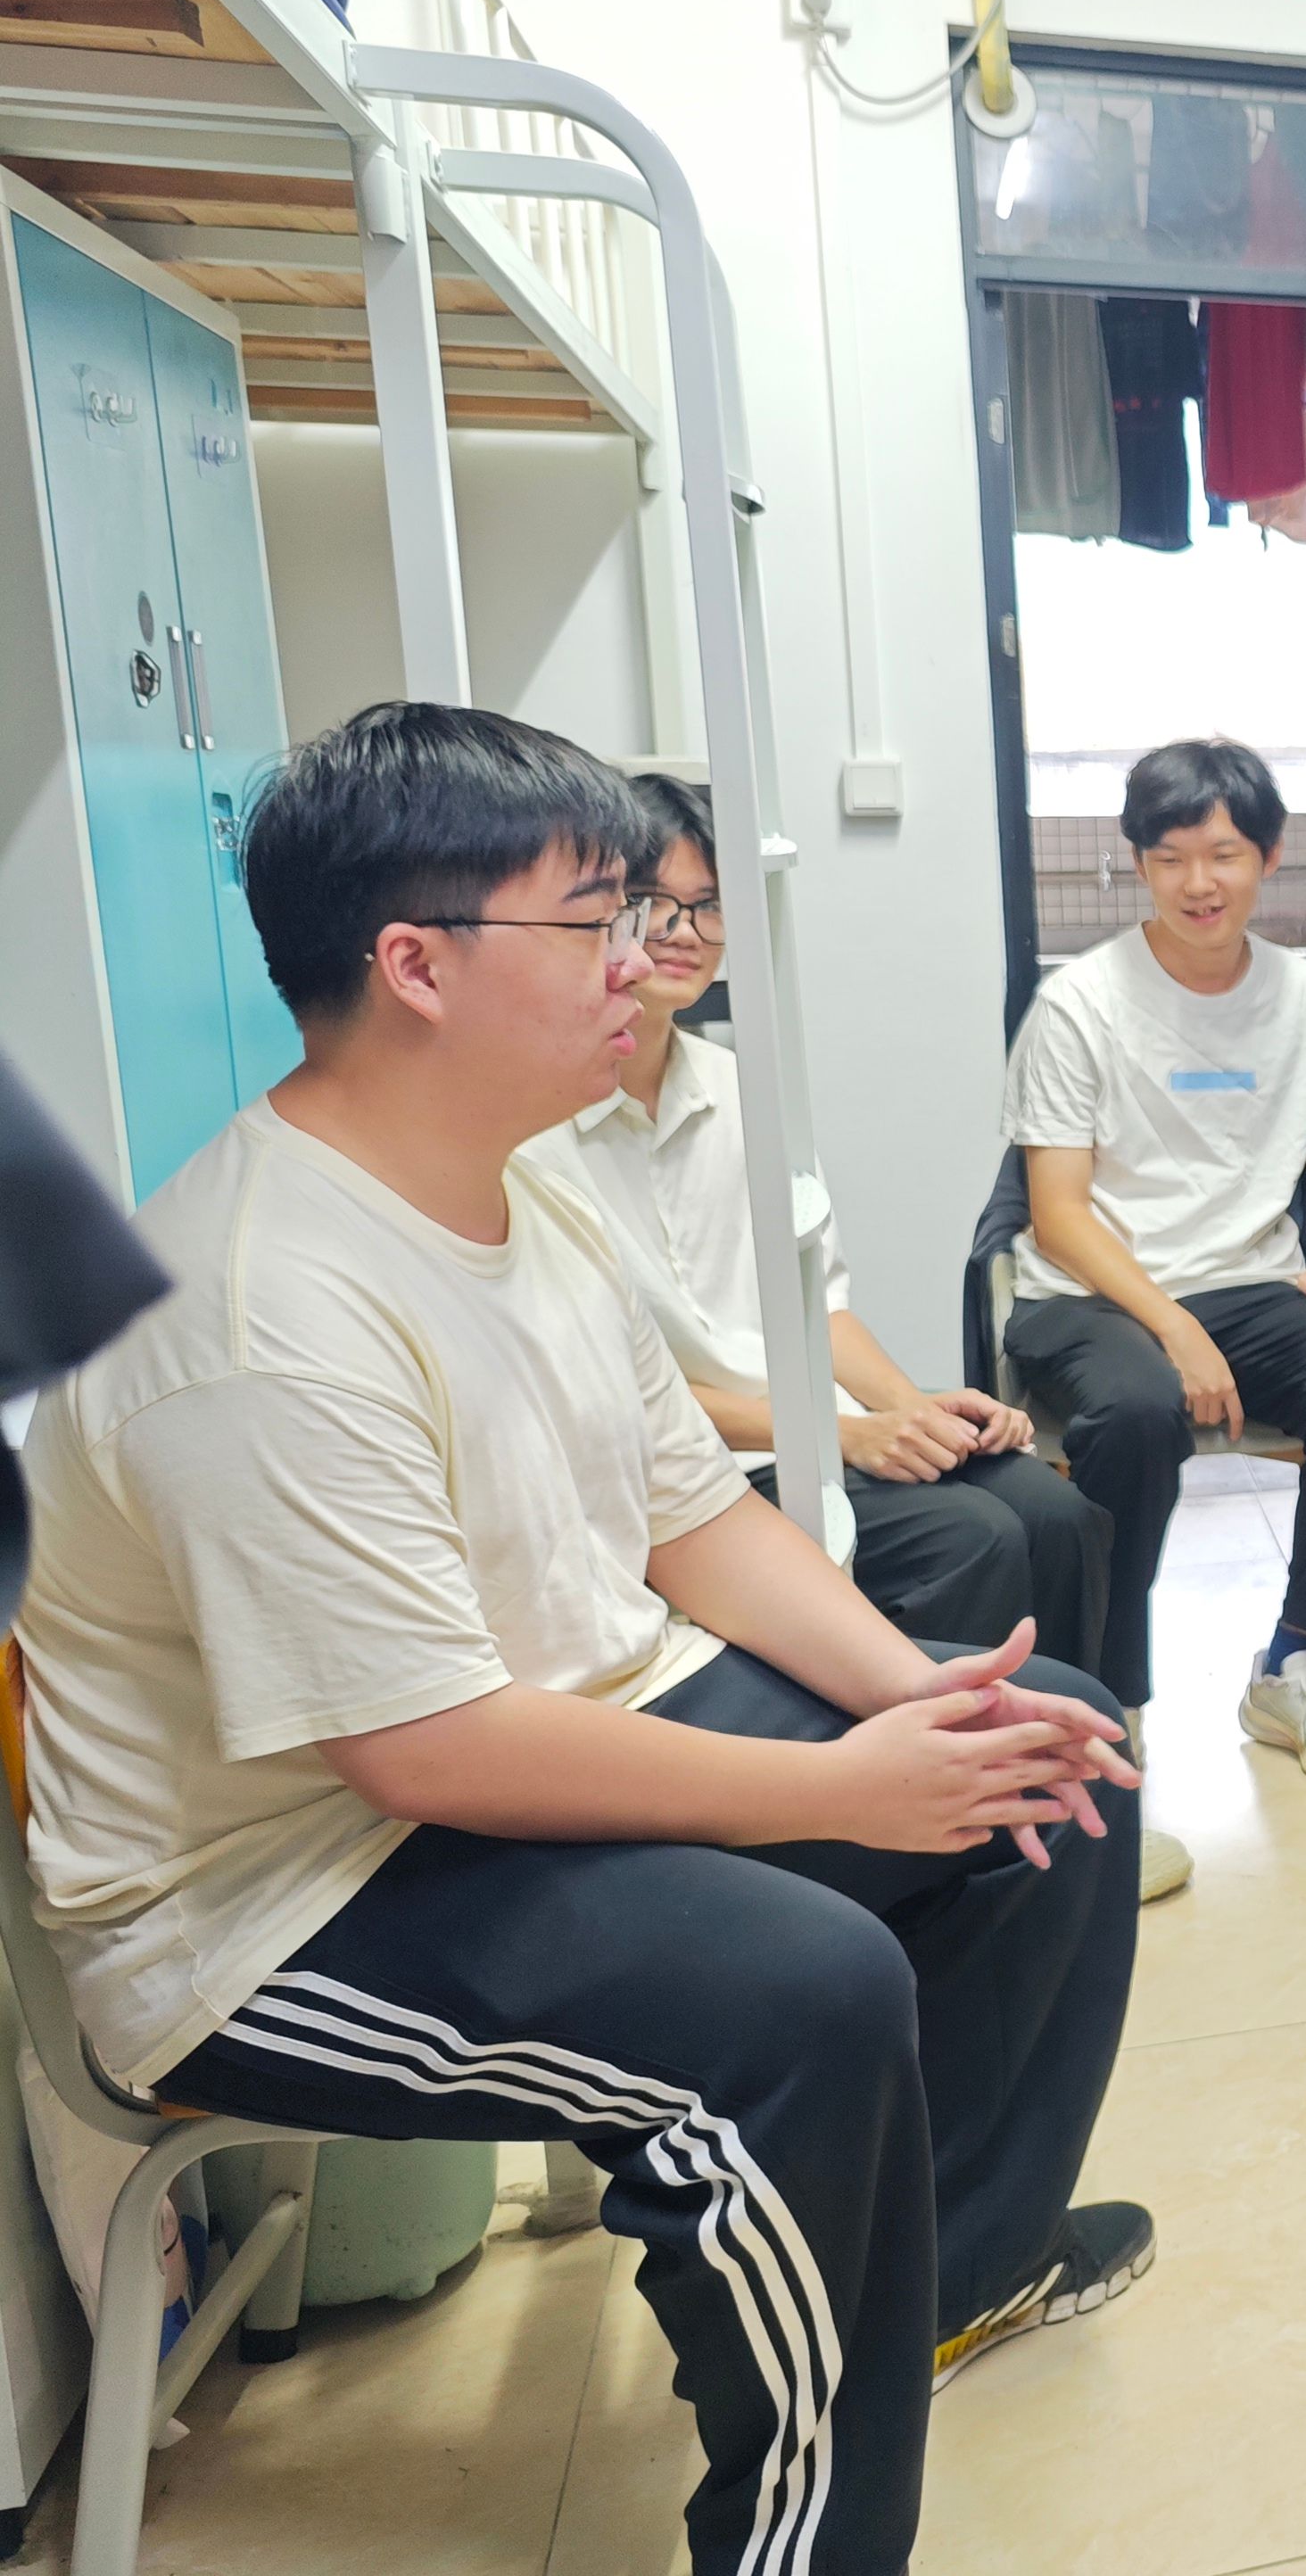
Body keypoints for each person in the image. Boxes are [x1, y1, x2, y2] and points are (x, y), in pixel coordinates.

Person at [13, 705, 1152, 2576]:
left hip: (518, 1734)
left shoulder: (518, 1177)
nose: (645, 962)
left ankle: (941, 2281)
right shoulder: (259, 1304)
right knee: (796, 1995)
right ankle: (803, 2534)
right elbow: (422, 1750)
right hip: (281, 1896)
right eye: (595, 921)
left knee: (1051, 1748)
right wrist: (840, 1791)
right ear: (416, 965)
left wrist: (926, 1706)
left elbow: (691, 1518)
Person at [532, 772, 1107, 1669]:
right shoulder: (531, 1127)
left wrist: (913, 1410)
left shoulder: (747, 1091)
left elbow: (819, 1308)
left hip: (812, 1430)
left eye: (709, 905)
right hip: (698, 1468)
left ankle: (1072, 1751)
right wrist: (840, 1433)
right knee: (976, 1538)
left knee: (1058, 1515)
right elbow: (598, 1395)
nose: (681, 932)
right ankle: (940, 1758)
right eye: (650, 902)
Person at [1001, 737, 1306, 1820]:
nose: (1199, 882)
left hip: (1252, 1285)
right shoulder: (1080, 1001)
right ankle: (1111, 1698)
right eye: (1171, 856)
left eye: (1224, 854)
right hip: (1091, 1294)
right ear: (1138, 862)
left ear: (1268, 857)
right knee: (1136, 1412)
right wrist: (1172, 1327)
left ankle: (1296, 1658)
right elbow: (1057, 1212)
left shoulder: (1303, 994)